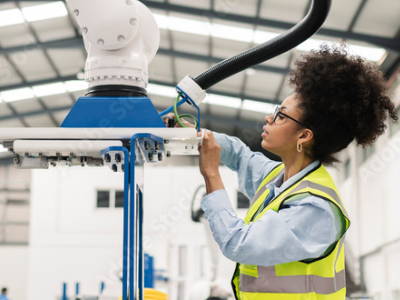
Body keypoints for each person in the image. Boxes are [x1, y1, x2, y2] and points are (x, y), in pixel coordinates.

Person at [166, 44, 398, 299]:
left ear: (304, 136)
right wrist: (193, 134)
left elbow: (238, 243)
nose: (269, 118)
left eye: (281, 116)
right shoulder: (281, 178)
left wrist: (211, 174)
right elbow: (239, 154)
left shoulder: (314, 207)